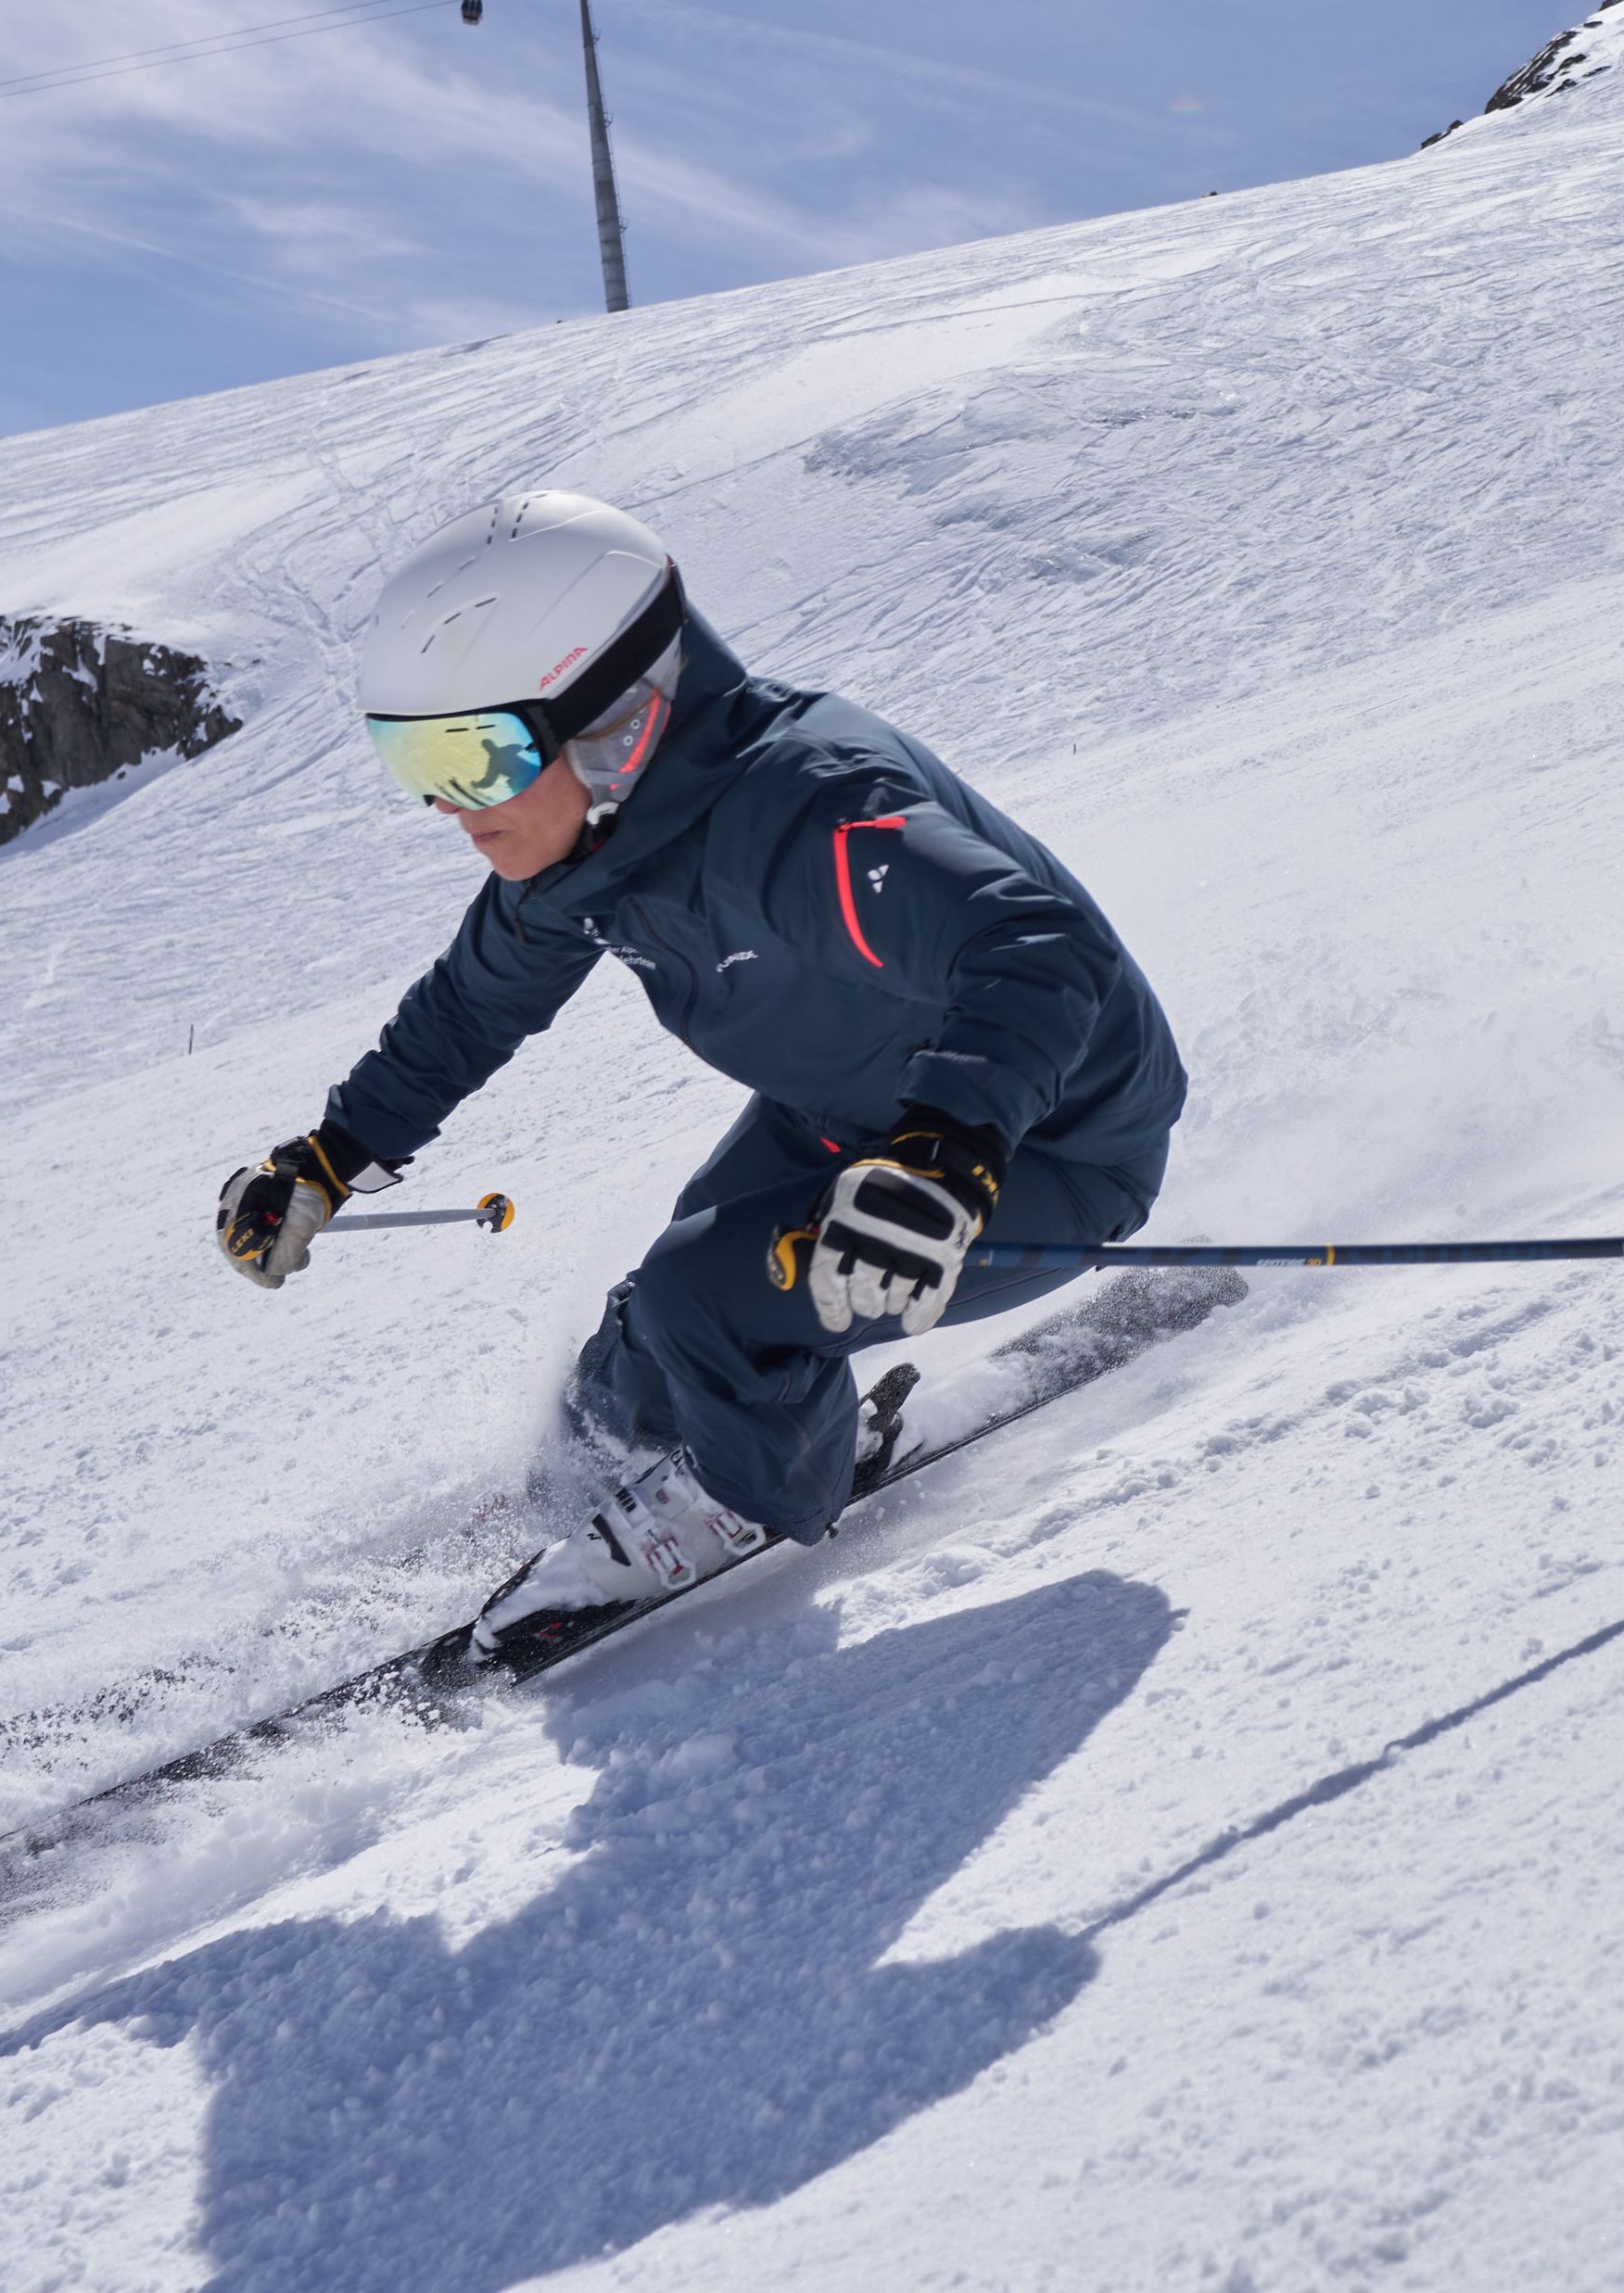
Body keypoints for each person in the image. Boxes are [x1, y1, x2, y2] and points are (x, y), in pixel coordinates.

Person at [217, 489, 1185, 1662]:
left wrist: (946, 1158)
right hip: (847, 1114)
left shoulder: (808, 808)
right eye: (412, 759)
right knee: (629, 1369)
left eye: (473, 757)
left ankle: (738, 1497)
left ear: (611, 722)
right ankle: (665, 1460)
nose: (443, 805)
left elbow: (1035, 947)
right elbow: (470, 1008)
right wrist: (324, 1160)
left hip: (1042, 1146)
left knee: (706, 1297)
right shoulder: (582, 857)